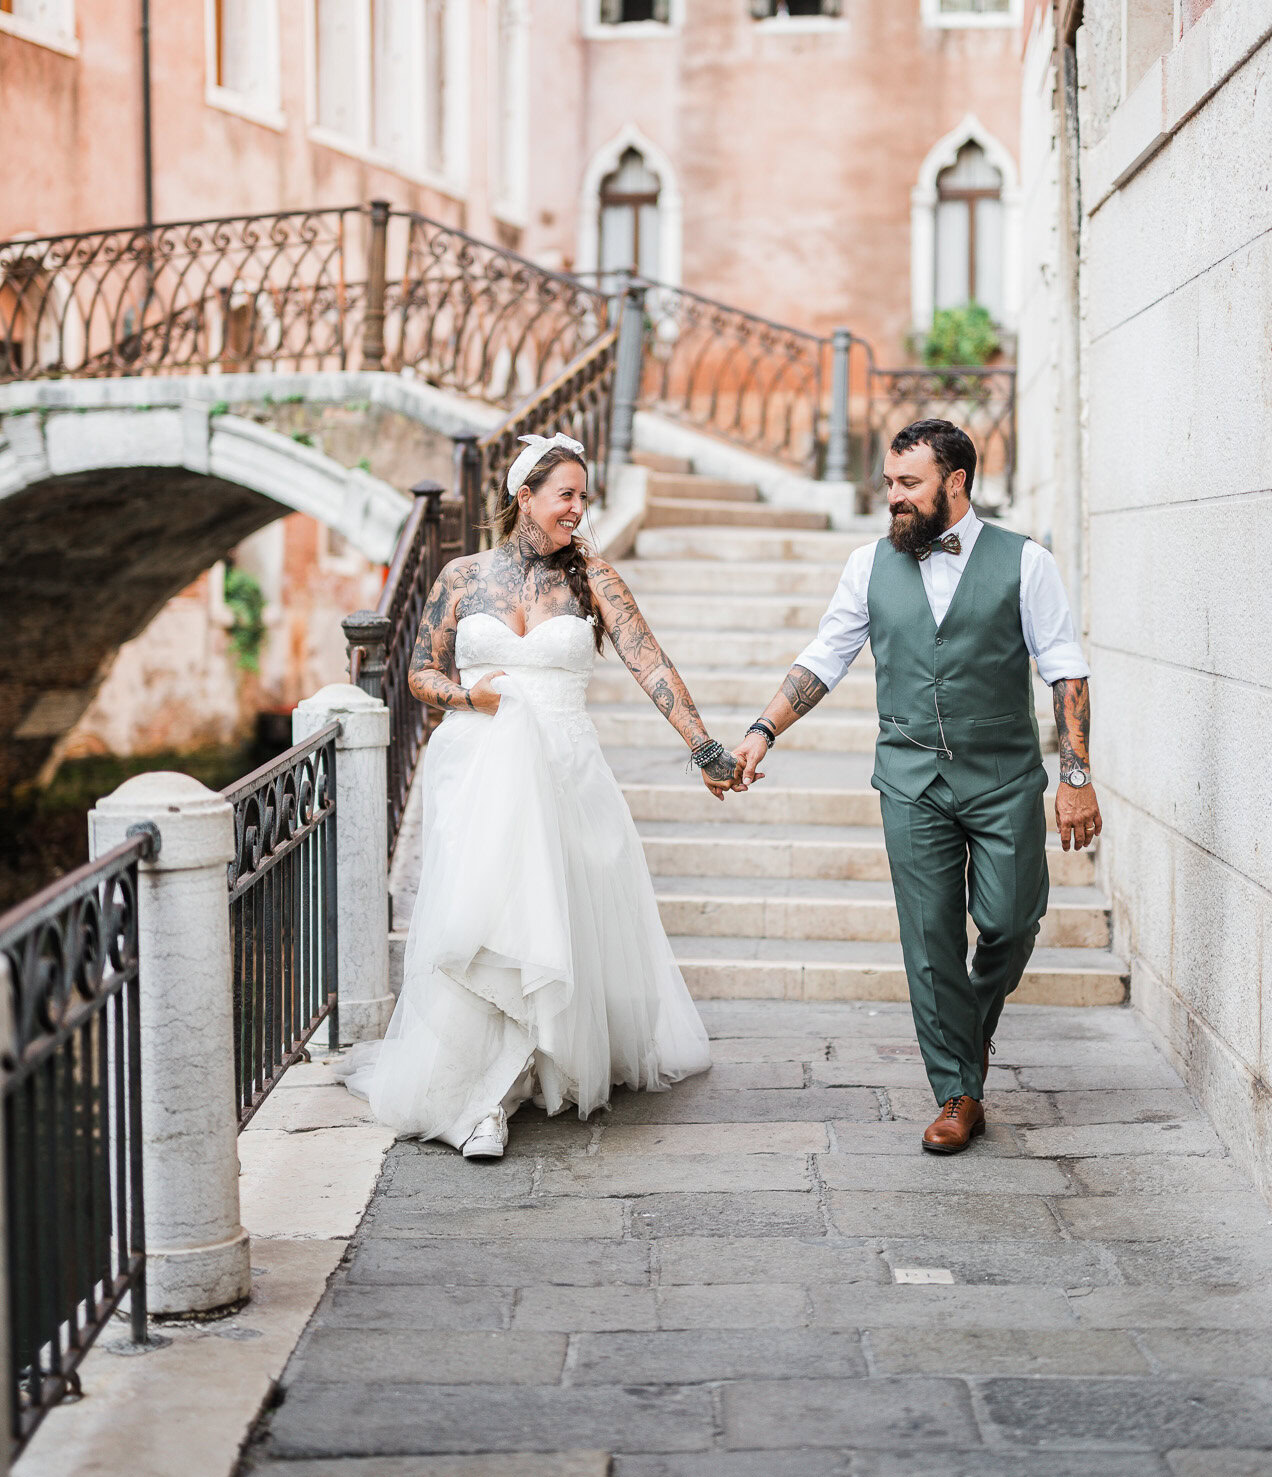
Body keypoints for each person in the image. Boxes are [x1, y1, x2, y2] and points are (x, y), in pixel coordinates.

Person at [343, 432, 736, 1160]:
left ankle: (538, 1065)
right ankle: (478, 1099)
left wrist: (704, 746)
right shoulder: (461, 578)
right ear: (525, 498)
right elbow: (420, 676)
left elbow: (650, 661)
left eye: (583, 498)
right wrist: (471, 695)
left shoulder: (594, 578)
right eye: (568, 496)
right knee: (484, 922)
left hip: (566, 770)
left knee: (554, 922)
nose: (578, 512)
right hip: (477, 770)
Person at [731, 419, 1099, 1154]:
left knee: (1010, 921)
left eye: (909, 484)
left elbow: (1065, 668)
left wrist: (1077, 778)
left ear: (955, 483)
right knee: (929, 942)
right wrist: (762, 730)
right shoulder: (869, 565)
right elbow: (824, 658)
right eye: (889, 484)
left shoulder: (1027, 563)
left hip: (1001, 777)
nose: (892, 498)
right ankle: (958, 1090)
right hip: (910, 779)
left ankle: (968, 1031)